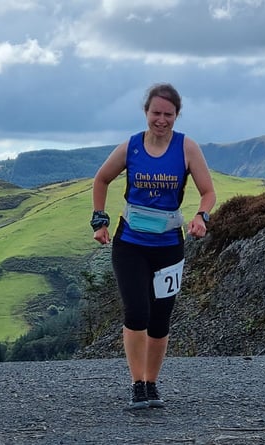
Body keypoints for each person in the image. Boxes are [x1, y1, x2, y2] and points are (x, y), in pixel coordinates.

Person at [90, 83, 216, 409]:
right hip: (130, 242)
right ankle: (136, 384)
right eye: (156, 113)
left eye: (168, 114)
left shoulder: (187, 148)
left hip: (169, 245)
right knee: (137, 311)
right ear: (146, 112)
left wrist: (202, 216)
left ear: (177, 115)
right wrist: (99, 219)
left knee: (160, 318)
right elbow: (101, 178)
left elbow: (208, 191)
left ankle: (152, 384)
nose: (161, 120)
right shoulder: (131, 147)